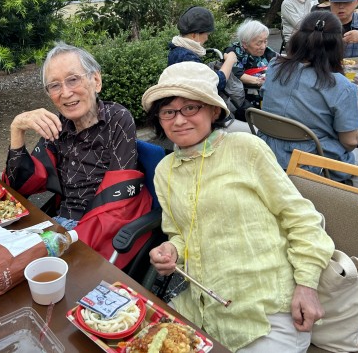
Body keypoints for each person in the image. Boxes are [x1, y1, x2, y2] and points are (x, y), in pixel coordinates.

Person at [142, 62, 334, 353]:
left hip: (266, 312)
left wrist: (307, 285)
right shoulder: (164, 170)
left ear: (213, 111)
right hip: (202, 308)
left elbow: (302, 219)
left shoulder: (247, 149)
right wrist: (172, 251)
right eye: (168, 111)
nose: (179, 120)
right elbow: (180, 234)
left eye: (190, 108)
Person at [2, 43, 151, 268]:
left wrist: (70, 238)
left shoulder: (118, 119)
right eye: (55, 85)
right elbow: (19, 186)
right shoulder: (58, 124)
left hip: (100, 231)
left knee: (23, 269)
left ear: (96, 81)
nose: (65, 93)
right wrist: (17, 129)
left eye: (73, 79)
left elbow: (118, 198)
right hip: (60, 224)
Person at [260, 11, 358, 191]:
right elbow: (350, 141)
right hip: (311, 162)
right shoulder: (341, 85)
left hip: (268, 152)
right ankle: (355, 208)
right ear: (337, 45)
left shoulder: (275, 66)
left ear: (298, 38)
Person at [168, 6, 250, 130]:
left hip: (188, 110)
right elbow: (216, 83)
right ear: (195, 35)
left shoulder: (176, 50)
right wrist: (230, 60)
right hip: (197, 115)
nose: (207, 38)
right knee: (254, 132)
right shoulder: (187, 56)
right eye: (206, 34)